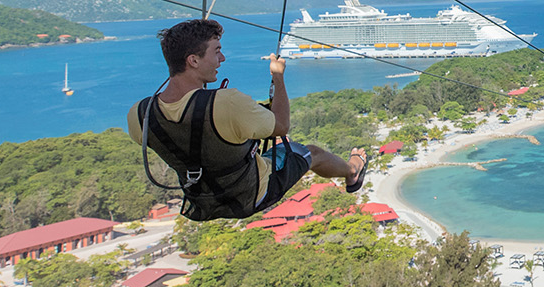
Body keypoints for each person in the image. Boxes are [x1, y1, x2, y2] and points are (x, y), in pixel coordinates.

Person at [128, 18, 367, 220]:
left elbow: (187, 130)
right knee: (310, 152)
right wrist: (278, 77)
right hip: (250, 194)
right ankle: (352, 171)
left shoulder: (140, 114)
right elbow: (282, 125)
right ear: (193, 60)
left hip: (202, 200)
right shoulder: (226, 103)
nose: (222, 59)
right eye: (217, 51)